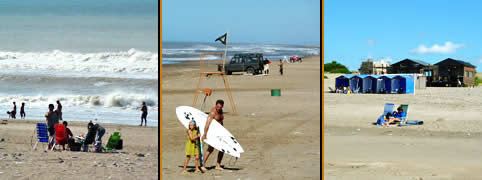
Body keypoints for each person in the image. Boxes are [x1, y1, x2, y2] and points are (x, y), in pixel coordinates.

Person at [201, 100, 225, 171]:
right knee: (210, 149)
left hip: (220, 133)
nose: (218, 108)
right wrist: (205, 134)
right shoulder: (212, 113)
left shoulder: (221, 111)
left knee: (222, 149)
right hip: (213, 133)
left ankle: (218, 165)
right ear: (215, 105)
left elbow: (221, 121)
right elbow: (207, 124)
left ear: (222, 106)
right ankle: (203, 165)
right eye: (217, 107)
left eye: (220, 107)